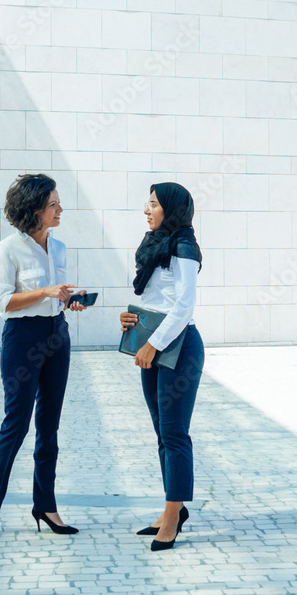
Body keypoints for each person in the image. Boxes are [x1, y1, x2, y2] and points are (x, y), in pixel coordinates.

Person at [0, 174, 88, 539]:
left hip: (57, 336)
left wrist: (68, 299)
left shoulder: (58, 248)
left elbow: (53, 295)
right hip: (22, 340)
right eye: (53, 204)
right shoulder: (8, 248)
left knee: (50, 427)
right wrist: (45, 291)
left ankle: (45, 505)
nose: (60, 210)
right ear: (34, 209)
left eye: (58, 203)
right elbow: (2, 303)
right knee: (17, 424)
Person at [119, 182, 204, 551]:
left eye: (153, 204)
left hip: (178, 349)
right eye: (147, 203)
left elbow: (184, 306)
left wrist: (153, 344)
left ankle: (172, 518)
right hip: (154, 345)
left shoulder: (183, 246)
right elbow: (159, 300)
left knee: (174, 434)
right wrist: (132, 321)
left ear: (171, 209)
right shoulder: (157, 244)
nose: (146, 210)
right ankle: (173, 507)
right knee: (161, 434)